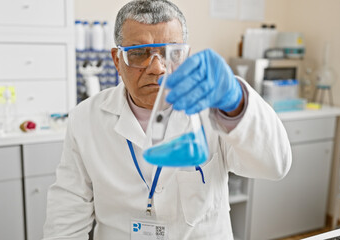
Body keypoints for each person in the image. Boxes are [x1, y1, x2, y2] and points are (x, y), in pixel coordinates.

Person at [43, 0, 292, 239]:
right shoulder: (86, 118)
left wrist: (235, 101)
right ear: (117, 60)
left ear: (186, 55)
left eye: (171, 52)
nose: (157, 68)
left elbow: (274, 165)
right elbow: (67, 213)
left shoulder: (214, 108)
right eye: (139, 53)